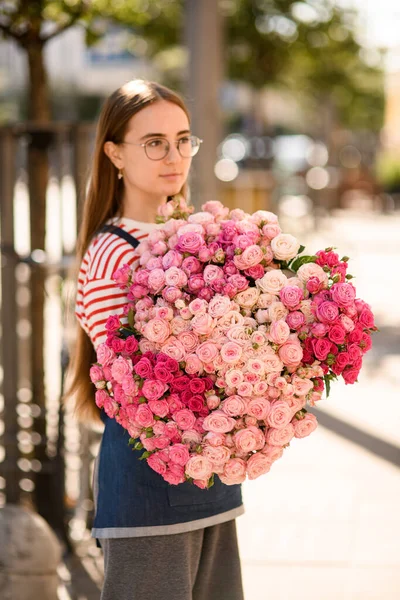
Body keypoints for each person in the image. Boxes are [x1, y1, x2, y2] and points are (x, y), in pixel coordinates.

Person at [65, 79, 244, 600]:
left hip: (212, 481)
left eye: (184, 140)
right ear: (114, 152)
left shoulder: (199, 234)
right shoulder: (112, 252)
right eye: (155, 142)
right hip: (146, 495)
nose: (175, 156)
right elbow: (130, 388)